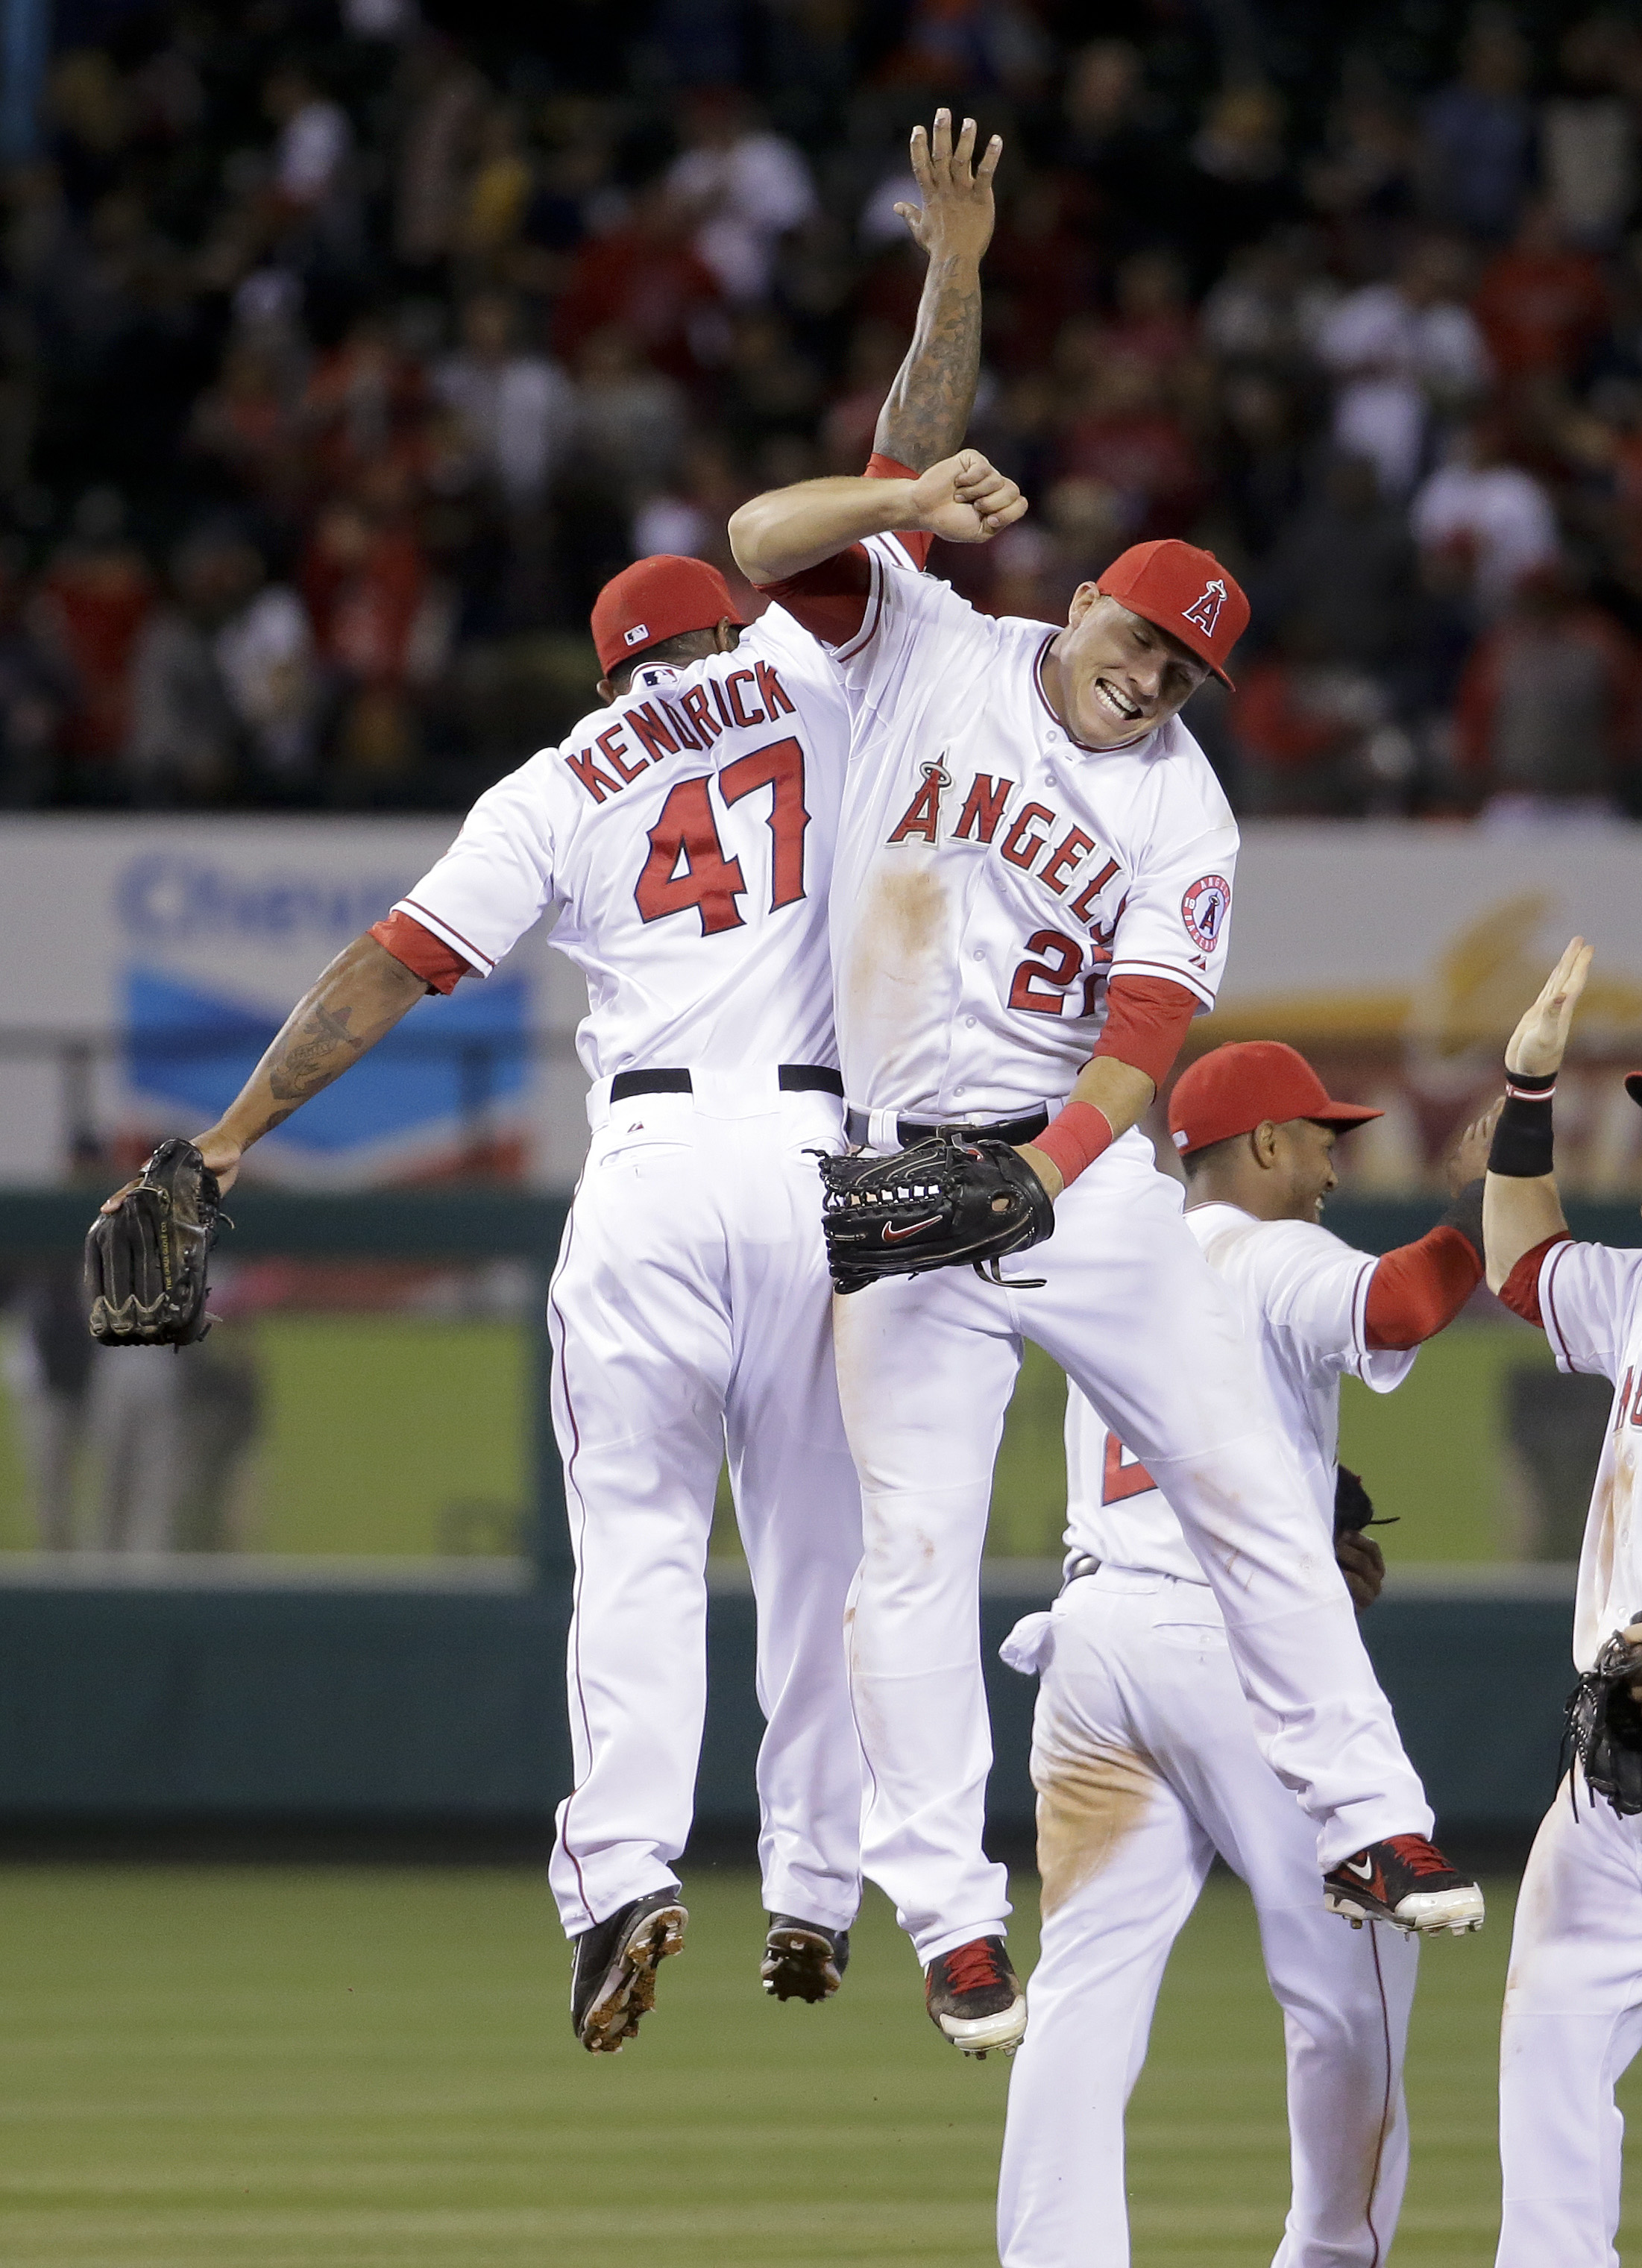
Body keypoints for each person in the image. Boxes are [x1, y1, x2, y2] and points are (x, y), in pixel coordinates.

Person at [98, 108, 1006, 2056]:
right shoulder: (819, 672)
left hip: (655, 1168)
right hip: (830, 1168)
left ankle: (623, 1878)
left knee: (637, 1551)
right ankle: (817, 1887)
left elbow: (390, 969)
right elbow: (899, 473)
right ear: (726, 631)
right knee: (829, 1558)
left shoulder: (560, 780)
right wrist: (955, 267)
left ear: (611, 675)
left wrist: (230, 1139)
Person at [729, 403, 1482, 2064]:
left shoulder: (1187, 813)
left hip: (1078, 1173)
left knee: (1248, 1478)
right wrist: (902, 500)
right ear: (1081, 605)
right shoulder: (936, 639)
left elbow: (1145, 1034)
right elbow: (759, 543)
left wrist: (1049, 1171)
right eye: (1140, 640)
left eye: (1183, 672)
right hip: (900, 1169)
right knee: (909, 1551)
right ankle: (949, 1918)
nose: (1150, 682)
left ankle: (1370, 1815)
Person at [996, 1040, 1494, 2267]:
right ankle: (1330, 2252)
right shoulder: (1265, 1249)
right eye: (1320, 1137)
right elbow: (1402, 1304)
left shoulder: (1126, 1258)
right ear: (1264, 1143)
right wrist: (1483, 1201)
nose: (1331, 1165)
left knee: (1083, 1992)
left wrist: (1304, 1508)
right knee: (1351, 1979)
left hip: (1096, 1646)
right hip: (1229, 1648)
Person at [1477, 935, 1642, 2266]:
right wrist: (1525, 1094)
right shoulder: (1637, 1293)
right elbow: (1520, 1262)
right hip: (1615, 1767)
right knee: (1546, 2045)